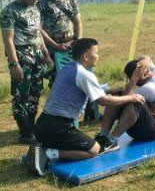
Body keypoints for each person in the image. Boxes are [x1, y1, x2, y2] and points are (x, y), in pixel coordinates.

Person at [26, 39, 147, 176]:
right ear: (86, 56)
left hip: (43, 124)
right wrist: (132, 97)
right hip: (59, 126)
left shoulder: (68, 68)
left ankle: (43, 146)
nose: (98, 56)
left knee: (80, 143)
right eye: (96, 52)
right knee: (94, 150)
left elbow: (85, 90)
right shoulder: (84, 74)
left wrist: (111, 89)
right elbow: (103, 101)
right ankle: (48, 153)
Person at [1, 0, 53, 143]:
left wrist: (45, 54)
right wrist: (14, 64)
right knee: (20, 95)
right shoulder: (10, 11)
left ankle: (31, 128)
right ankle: (25, 132)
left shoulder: (35, 9)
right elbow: (8, 39)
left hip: (37, 56)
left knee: (35, 93)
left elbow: (37, 32)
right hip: (21, 57)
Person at [94, 56, 155, 152]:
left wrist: (133, 79)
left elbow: (123, 100)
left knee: (135, 101)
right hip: (140, 126)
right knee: (119, 95)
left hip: (153, 132)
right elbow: (147, 57)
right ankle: (103, 135)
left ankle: (112, 140)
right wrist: (144, 62)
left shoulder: (151, 88)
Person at [37, 0, 83, 83]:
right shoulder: (42, 2)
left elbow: (77, 21)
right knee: (57, 80)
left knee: (75, 76)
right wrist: (56, 45)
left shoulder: (71, 0)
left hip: (72, 45)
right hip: (53, 46)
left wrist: (78, 41)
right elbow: (39, 29)